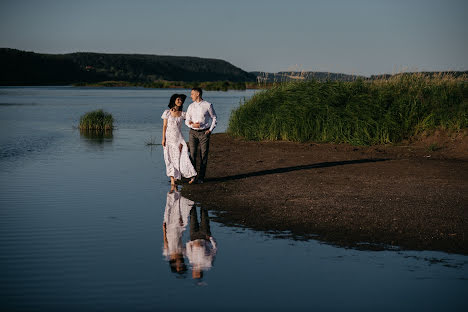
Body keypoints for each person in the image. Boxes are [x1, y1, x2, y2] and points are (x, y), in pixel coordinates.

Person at [161, 94, 197, 187]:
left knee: (181, 157)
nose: (180, 101)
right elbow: (164, 126)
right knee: (169, 159)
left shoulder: (183, 114)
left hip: (178, 139)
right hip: (169, 139)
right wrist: (163, 138)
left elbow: (190, 119)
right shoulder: (167, 112)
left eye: (181, 100)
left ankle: (190, 175)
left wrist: (195, 123)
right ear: (173, 100)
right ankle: (173, 179)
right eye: (178, 99)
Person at [185, 88, 217, 184]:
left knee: (203, 155)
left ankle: (201, 178)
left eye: (192, 94)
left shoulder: (208, 105)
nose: (191, 96)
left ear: (198, 94)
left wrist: (210, 130)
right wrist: (191, 125)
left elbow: (214, 118)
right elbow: (187, 119)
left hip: (204, 133)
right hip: (193, 133)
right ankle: (193, 176)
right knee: (192, 154)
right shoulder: (190, 106)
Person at [162, 188, 194, 277]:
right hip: (178, 230)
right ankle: (178, 193)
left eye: (179, 266)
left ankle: (174, 191)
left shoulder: (167, 254)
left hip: (169, 232)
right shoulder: (182, 253)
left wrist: (164, 230)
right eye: (181, 266)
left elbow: (165, 242)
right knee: (178, 213)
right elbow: (189, 245)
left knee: (169, 210)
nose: (180, 264)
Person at [186, 206, 217, 280]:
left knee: (192, 216)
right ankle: (203, 200)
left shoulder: (191, 262)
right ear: (199, 273)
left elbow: (189, 250)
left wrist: (190, 242)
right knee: (204, 215)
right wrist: (210, 238)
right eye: (195, 273)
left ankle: (192, 200)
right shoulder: (208, 264)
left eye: (193, 273)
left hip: (194, 237)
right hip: (204, 237)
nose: (193, 271)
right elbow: (214, 250)